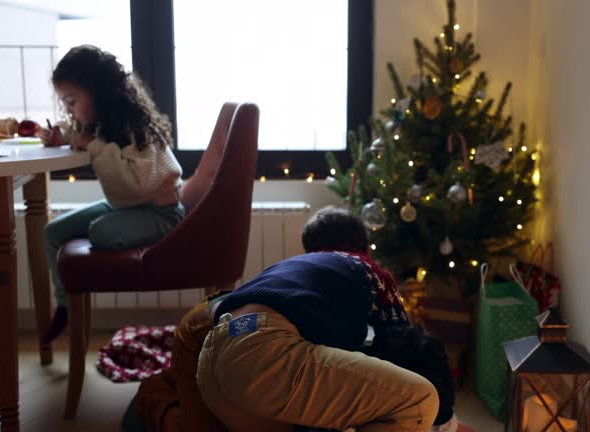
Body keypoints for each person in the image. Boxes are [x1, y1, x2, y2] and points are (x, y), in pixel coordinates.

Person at [127, 206, 461, 432]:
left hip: (217, 353)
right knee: (419, 399)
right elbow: (408, 353)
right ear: (365, 247)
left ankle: (154, 392)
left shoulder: (298, 272)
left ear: (309, 249)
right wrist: (441, 420)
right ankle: (154, 395)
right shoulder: (369, 271)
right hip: (257, 354)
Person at [39, 45, 185, 343]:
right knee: (54, 231)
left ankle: (70, 305)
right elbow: (96, 145)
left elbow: (134, 185)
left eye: (71, 101)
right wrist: (65, 137)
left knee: (100, 231)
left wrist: (92, 145)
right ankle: (66, 306)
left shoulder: (136, 127)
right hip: (130, 208)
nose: (68, 109)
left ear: (97, 92)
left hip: (161, 213)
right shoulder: (105, 124)